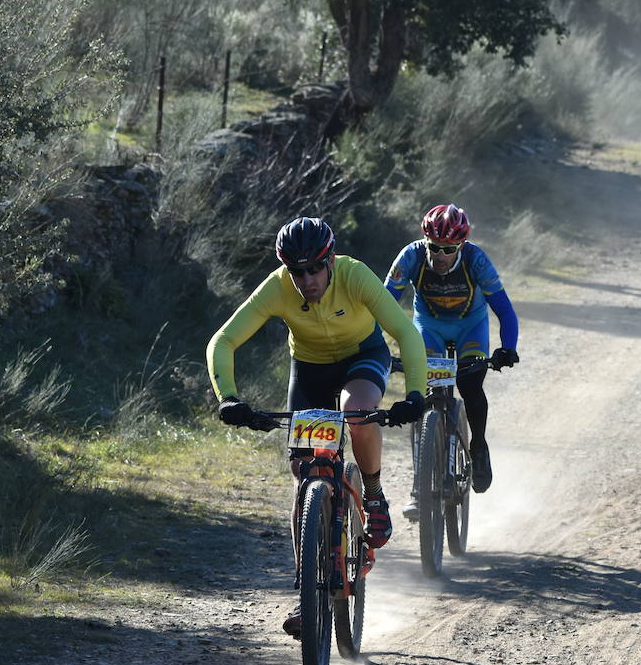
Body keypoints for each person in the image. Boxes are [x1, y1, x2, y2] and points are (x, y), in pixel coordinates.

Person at [207, 216, 428, 638]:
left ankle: (375, 496)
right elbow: (224, 340)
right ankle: (306, 593)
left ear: (329, 261)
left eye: (314, 269)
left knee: (357, 410)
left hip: (362, 357)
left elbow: (403, 331)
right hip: (309, 369)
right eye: (297, 271)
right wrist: (229, 397)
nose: (306, 280)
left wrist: (415, 393)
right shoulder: (277, 287)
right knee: (303, 472)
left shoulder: (355, 275)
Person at [383, 203, 518, 518]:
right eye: (435, 247)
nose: (441, 255)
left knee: (470, 384)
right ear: (425, 241)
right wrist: (373, 343)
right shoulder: (411, 257)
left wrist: (507, 347)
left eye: (449, 248)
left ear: (462, 245)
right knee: (421, 395)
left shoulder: (476, 260)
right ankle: (419, 487)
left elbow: (504, 310)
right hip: (428, 327)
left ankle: (479, 448)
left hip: (470, 325)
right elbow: (382, 302)